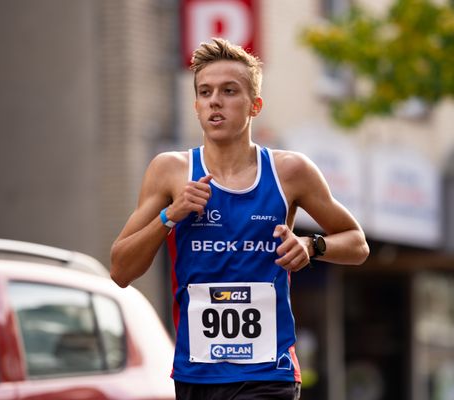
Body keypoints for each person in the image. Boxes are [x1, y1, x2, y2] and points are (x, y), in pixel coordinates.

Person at [110, 37, 369, 400]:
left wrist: (312, 245)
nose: (215, 100)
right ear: (197, 105)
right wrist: (170, 215)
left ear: (254, 105)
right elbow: (121, 270)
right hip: (196, 374)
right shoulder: (170, 171)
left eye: (229, 91)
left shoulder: (289, 171)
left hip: (269, 371)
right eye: (205, 92)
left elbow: (357, 243)